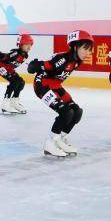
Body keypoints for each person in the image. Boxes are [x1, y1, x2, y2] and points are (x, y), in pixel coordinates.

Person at [27, 30, 94, 158]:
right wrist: (34, 66)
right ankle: (50, 143)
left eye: (89, 49)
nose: (88, 53)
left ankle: (60, 140)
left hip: (55, 85)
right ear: (75, 47)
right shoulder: (63, 59)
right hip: (42, 85)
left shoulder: (77, 60)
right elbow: (46, 65)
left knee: (76, 111)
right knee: (65, 112)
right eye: (85, 49)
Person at [0, 34, 34, 115]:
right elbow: (7, 56)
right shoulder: (15, 53)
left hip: (8, 68)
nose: (29, 47)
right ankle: (5, 104)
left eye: (30, 44)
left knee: (21, 82)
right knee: (15, 81)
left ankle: (14, 102)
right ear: (20, 45)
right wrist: (0, 55)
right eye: (26, 44)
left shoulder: (25, 55)